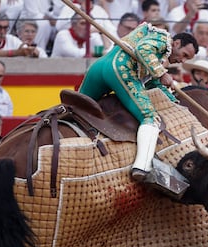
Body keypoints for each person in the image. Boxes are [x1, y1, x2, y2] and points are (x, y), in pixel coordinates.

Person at [78, 22, 198, 181]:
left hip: (100, 67)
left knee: (75, 106)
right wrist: (161, 73)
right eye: (184, 55)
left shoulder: (158, 55)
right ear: (176, 44)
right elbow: (143, 50)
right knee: (150, 117)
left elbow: (153, 83)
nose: (182, 61)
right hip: (121, 70)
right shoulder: (162, 40)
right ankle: (142, 167)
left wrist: (173, 100)